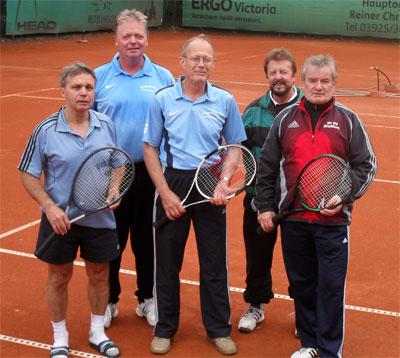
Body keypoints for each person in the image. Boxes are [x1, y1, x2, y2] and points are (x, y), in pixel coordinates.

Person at [255, 55, 377, 358]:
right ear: (303, 82)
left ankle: (329, 351)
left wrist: (344, 196)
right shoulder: (285, 120)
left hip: (333, 224)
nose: (318, 86)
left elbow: (366, 165)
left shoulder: (348, 120)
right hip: (294, 220)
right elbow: (267, 167)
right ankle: (309, 344)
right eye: (313, 80)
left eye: (325, 81)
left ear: (334, 83)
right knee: (303, 285)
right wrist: (265, 207)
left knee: (331, 288)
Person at [143, 34, 246, 355]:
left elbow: (235, 148)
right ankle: (165, 328)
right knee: (167, 264)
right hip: (172, 183)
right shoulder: (162, 99)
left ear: (213, 64)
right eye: (195, 58)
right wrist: (164, 192)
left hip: (209, 185)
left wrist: (223, 182)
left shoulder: (224, 100)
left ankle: (218, 329)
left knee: (214, 263)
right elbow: (149, 148)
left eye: (207, 59)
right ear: (182, 62)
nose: (201, 64)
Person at [18, 63, 121, 358]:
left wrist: (114, 189)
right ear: (62, 90)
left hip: (100, 217)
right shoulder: (46, 130)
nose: (83, 93)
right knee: (59, 276)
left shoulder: (106, 124)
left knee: (100, 274)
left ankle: (97, 331)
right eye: (76, 87)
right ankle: (60, 337)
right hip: (60, 219)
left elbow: (118, 163)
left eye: (89, 87)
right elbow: (27, 173)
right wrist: (49, 207)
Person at [93, 9, 175, 328]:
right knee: (111, 239)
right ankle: (110, 300)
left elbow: (173, 123)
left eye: (138, 35)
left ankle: (147, 300)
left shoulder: (163, 77)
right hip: (108, 172)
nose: (132, 41)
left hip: (149, 172)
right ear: (116, 39)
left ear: (147, 39)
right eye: (126, 36)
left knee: (147, 240)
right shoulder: (99, 77)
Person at [238, 48, 302, 334]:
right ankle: (256, 306)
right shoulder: (252, 112)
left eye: (283, 72)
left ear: (293, 74)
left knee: (300, 259)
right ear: (267, 75)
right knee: (257, 257)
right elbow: (241, 152)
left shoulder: (307, 109)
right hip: (258, 201)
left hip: (297, 202)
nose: (278, 77)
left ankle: (304, 311)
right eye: (273, 72)